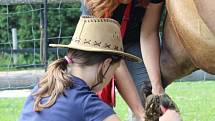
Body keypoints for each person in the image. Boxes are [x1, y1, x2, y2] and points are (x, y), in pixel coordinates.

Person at [18, 16, 142, 121]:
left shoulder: (43, 87)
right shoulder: (89, 105)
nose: (112, 77)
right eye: (114, 70)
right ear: (106, 65)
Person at [81, 0, 165, 120]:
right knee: (95, 105)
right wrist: (140, 113)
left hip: (133, 42)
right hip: (96, 47)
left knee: (148, 98)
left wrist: (157, 88)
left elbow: (148, 34)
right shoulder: (94, 3)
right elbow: (111, 54)